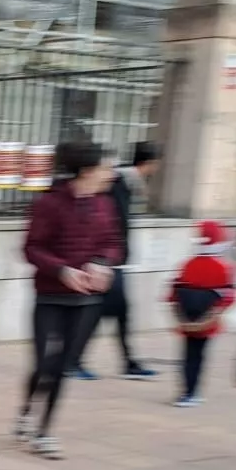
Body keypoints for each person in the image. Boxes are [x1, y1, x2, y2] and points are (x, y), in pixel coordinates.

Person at [16, 141, 120, 460]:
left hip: (86, 300)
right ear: (87, 171)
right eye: (106, 167)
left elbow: (114, 242)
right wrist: (61, 270)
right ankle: (25, 412)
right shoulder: (50, 203)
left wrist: (102, 262)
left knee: (63, 367)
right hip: (50, 296)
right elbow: (32, 248)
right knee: (44, 364)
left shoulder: (105, 204)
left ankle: (44, 432)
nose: (111, 173)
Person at [73, 141, 160, 381]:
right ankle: (75, 360)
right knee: (102, 313)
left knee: (115, 313)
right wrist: (108, 258)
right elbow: (114, 227)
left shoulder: (124, 183)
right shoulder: (117, 184)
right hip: (108, 263)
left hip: (111, 262)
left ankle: (126, 362)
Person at [167, 221, 235, 407]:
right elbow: (229, 297)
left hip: (186, 318)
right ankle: (191, 392)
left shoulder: (187, 264)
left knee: (188, 355)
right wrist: (209, 319)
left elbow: (172, 294)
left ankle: (186, 391)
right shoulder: (224, 267)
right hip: (207, 322)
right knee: (199, 355)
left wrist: (181, 319)